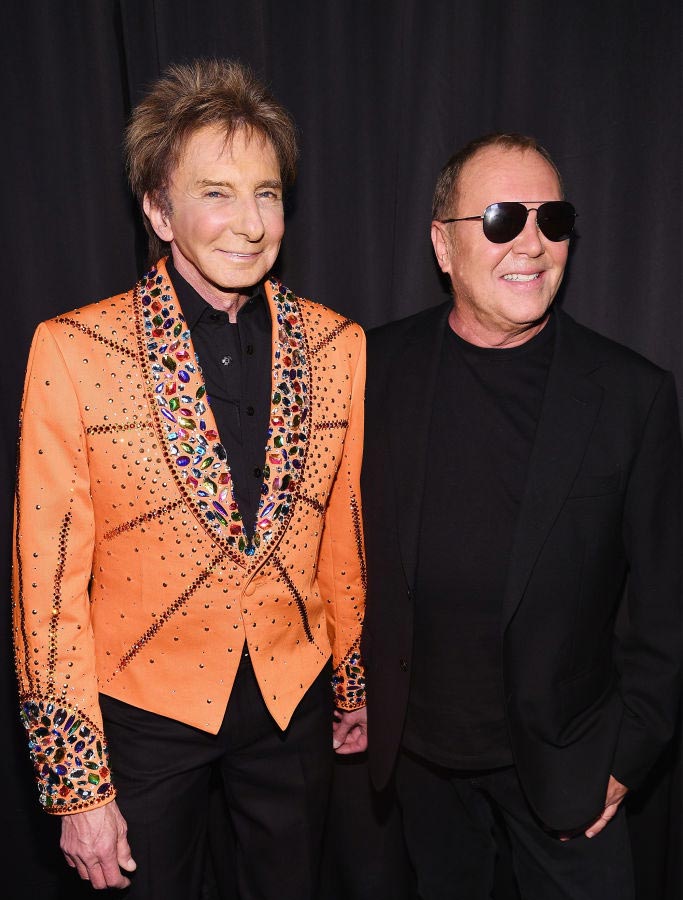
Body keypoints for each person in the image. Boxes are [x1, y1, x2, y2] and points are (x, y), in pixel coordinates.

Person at [12, 58, 368, 899]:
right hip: (141, 714)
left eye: (268, 193)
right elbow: (46, 585)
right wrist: (76, 788)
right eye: (216, 192)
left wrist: (350, 680)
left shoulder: (336, 345)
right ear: (157, 209)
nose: (249, 223)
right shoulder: (72, 349)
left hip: (291, 706)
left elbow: (342, 533)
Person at [361, 132, 681, 899]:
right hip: (418, 764)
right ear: (444, 246)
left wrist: (623, 758)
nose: (532, 244)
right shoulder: (369, 369)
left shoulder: (630, 397)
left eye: (553, 219)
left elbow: (665, 609)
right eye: (503, 219)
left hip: (568, 767)